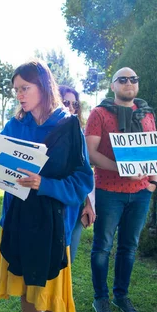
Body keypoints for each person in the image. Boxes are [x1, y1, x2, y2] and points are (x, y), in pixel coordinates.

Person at [0, 60, 93, 312]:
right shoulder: (14, 123)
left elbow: (82, 180)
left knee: (53, 302)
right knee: (24, 290)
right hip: (18, 222)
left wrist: (44, 185)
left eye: (25, 88)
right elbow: (1, 161)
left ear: (44, 87)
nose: (19, 95)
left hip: (52, 229)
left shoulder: (68, 127)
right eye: (16, 89)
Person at [85, 67, 157, 312]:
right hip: (109, 192)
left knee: (129, 247)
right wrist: (121, 168)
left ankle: (121, 295)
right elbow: (90, 153)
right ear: (113, 86)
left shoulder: (147, 114)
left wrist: (153, 182)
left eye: (134, 79)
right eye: (123, 79)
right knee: (102, 247)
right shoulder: (99, 114)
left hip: (140, 193)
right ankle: (100, 297)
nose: (129, 83)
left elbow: (153, 150)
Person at [59, 85, 95, 263]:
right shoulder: (45, 132)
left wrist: (89, 204)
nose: (71, 108)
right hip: (54, 205)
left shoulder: (79, 133)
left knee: (67, 262)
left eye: (75, 104)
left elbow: (85, 171)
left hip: (76, 205)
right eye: (66, 102)